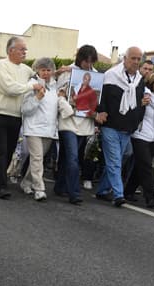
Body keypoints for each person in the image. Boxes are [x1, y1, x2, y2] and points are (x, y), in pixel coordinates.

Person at [0, 37, 42, 199]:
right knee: (1, 151)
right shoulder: (1, 66)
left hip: (16, 116)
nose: (25, 52)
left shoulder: (26, 70)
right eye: (21, 49)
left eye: (25, 49)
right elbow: (10, 88)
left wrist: (59, 72)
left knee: (9, 150)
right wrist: (31, 86)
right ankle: (2, 187)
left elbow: (40, 76)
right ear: (11, 50)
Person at [94, 46, 146, 207]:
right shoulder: (111, 75)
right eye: (133, 58)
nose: (136, 62)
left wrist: (138, 118)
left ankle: (103, 189)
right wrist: (100, 113)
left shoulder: (139, 80)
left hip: (128, 128)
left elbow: (140, 102)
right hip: (111, 125)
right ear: (125, 58)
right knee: (115, 160)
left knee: (123, 156)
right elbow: (100, 97)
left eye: (139, 59)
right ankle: (118, 194)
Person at [19, 57, 71, 201]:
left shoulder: (55, 86)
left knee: (38, 160)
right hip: (33, 128)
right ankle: (39, 188)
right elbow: (25, 109)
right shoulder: (32, 85)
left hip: (49, 130)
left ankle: (26, 182)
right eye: (43, 70)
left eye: (49, 70)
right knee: (37, 157)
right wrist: (37, 98)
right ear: (37, 70)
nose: (46, 73)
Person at [55, 45, 99, 205]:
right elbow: (59, 93)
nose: (88, 65)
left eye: (91, 62)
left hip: (84, 122)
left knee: (68, 157)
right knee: (73, 157)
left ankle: (60, 187)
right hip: (68, 122)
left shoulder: (96, 77)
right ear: (80, 59)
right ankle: (74, 193)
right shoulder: (67, 73)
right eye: (85, 61)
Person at [125, 72, 154, 208]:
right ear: (151, 84)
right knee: (147, 166)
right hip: (140, 135)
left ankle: (128, 191)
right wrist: (141, 103)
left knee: (139, 166)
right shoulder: (144, 94)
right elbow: (133, 108)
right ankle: (151, 197)